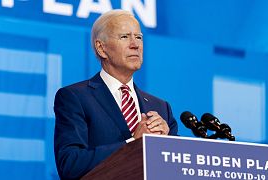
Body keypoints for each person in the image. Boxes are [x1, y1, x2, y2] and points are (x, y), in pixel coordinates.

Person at [53, 9, 178, 179]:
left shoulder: (161, 107)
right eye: (125, 37)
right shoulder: (75, 97)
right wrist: (134, 143)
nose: (135, 44)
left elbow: (177, 170)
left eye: (139, 37)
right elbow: (70, 164)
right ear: (101, 48)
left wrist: (168, 144)